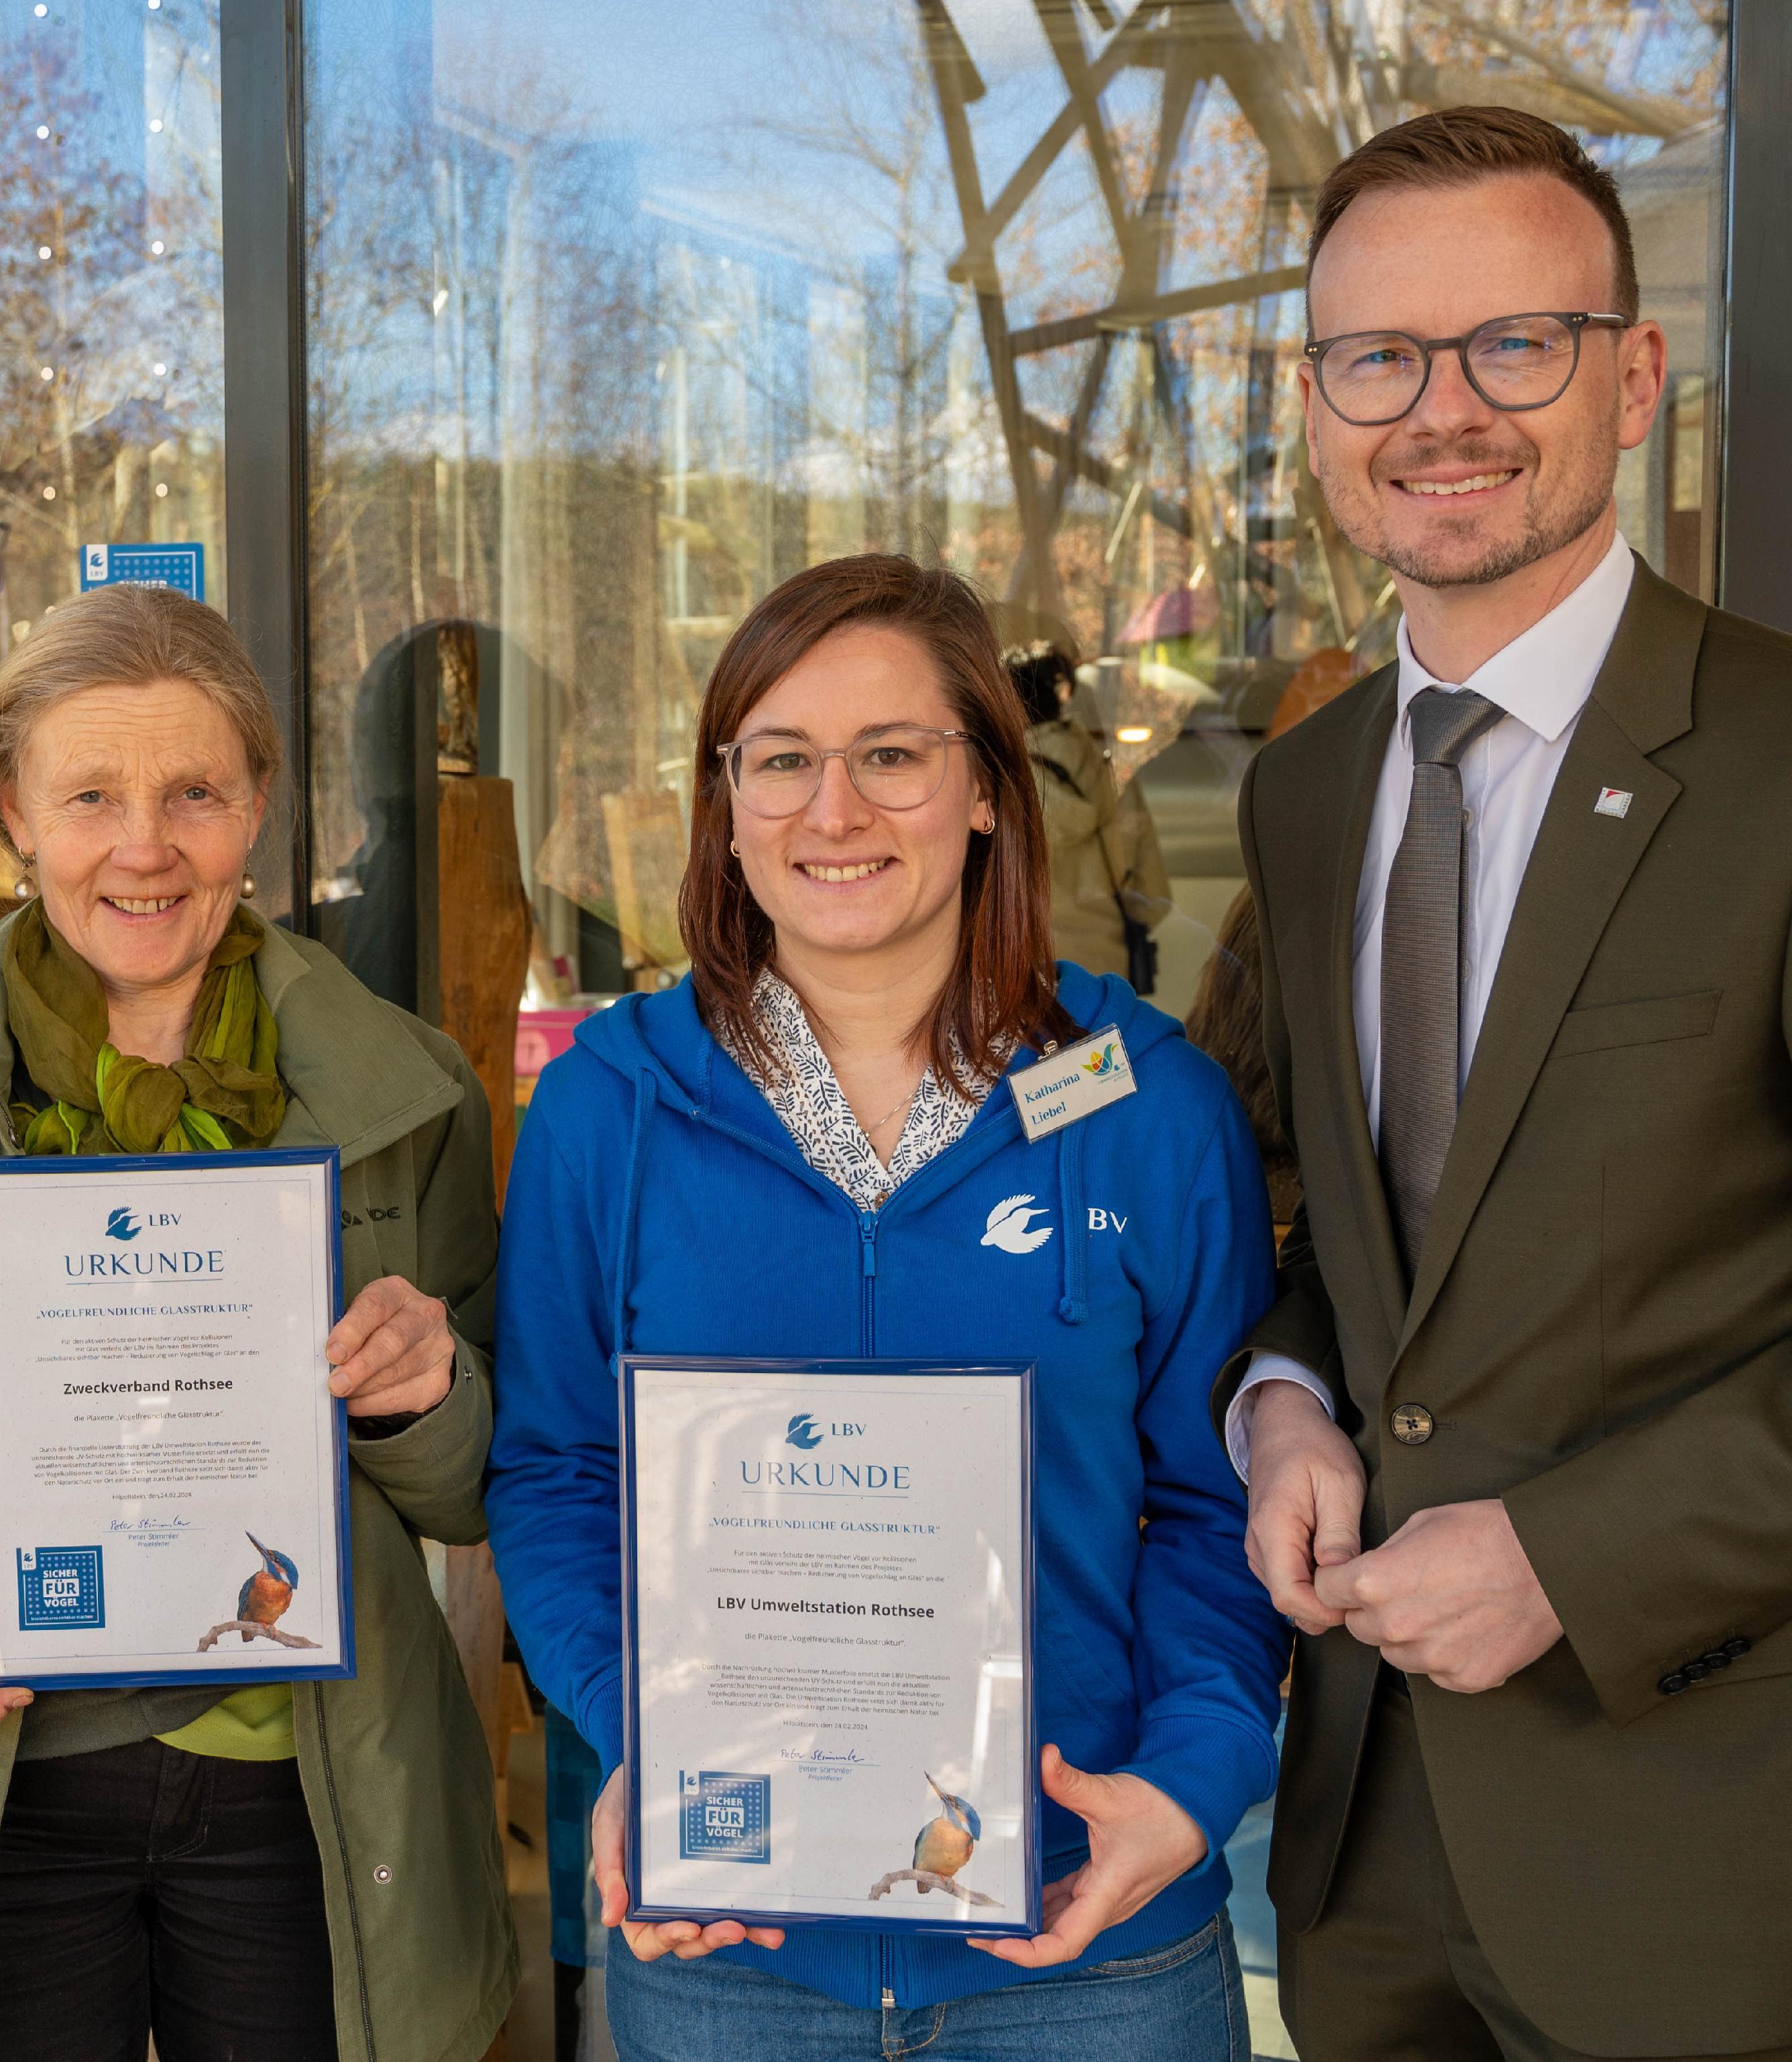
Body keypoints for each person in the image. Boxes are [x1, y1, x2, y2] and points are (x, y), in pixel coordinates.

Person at [0, 581, 516, 2062]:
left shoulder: (404, 1090)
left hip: (308, 1795)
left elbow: (473, 1480)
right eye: (89, 796)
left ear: (257, 806)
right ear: (11, 812)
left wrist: (424, 1393)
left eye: (193, 790)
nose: (145, 846)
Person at [490, 554, 1286, 2060]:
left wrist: (1187, 1780)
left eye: (891, 756)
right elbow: (555, 1471)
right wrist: (636, 1732)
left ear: (985, 788)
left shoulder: (1147, 1106)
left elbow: (1219, 1493)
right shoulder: (608, 1109)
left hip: (1091, 1946)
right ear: (726, 801)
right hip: (733, 1957)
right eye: (780, 759)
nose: (832, 810)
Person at [1225, 106, 1792, 2061]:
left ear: (1631, 379)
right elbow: (1355, 1229)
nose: (1439, 411)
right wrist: (1283, 1401)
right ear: (1315, 406)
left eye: (1512, 344)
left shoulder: (1781, 761)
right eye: (1377, 356)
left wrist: (1571, 1555)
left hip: (1703, 1844)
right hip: (1363, 1848)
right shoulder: (1304, 795)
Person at [1006, 639, 1174, 991]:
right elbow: (1155, 895)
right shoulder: (1116, 778)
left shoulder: (1000, 786)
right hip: (1109, 972)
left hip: (1027, 968)